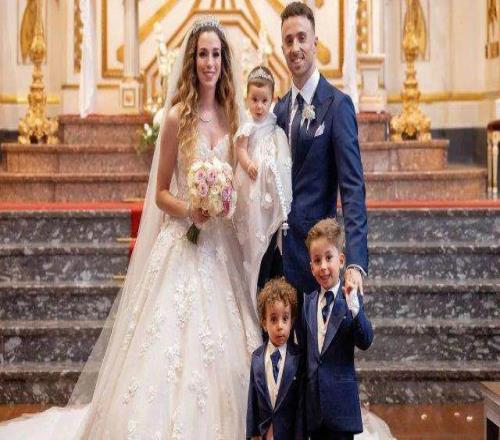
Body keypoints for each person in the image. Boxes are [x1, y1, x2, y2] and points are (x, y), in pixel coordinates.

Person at [0, 16, 261, 439]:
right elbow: (160, 193)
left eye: (216, 54)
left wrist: (225, 203)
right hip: (184, 242)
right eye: (202, 54)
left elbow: (240, 184)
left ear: (224, 61)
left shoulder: (233, 117)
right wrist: (191, 210)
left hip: (220, 249)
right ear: (192, 60)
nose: (209, 63)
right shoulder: (177, 118)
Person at [271, 1, 369, 339]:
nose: (295, 47)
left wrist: (354, 262)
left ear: (315, 42)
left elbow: (352, 190)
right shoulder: (277, 111)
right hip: (279, 264)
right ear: (282, 48)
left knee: (321, 364)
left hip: (319, 263)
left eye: (302, 38)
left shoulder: (338, 106)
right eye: (288, 41)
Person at [302, 218, 373, 440]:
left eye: (328, 258)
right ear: (311, 267)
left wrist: (354, 306)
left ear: (341, 260)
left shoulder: (350, 300)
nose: (323, 266)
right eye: (317, 260)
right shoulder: (307, 303)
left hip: (341, 411)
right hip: (314, 412)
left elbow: (365, 340)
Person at [233, 65, 292, 307]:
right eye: (254, 100)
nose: (259, 106)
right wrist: (247, 164)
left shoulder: (274, 124)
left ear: (272, 100)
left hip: (267, 188)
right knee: (251, 225)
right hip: (250, 185)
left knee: (268, 231)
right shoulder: (247, 125)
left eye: (264, 101)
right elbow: (240, 149)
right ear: (247, 98)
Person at [246, 278, 305, 440]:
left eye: (285, 319)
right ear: (264, 323)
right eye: (273, 319)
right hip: (265, 435)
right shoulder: (257, 358)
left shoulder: (298, 358)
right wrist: (253, 434)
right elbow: (252, 402)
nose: (280, 326)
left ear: (292, 321)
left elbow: (300, 407)